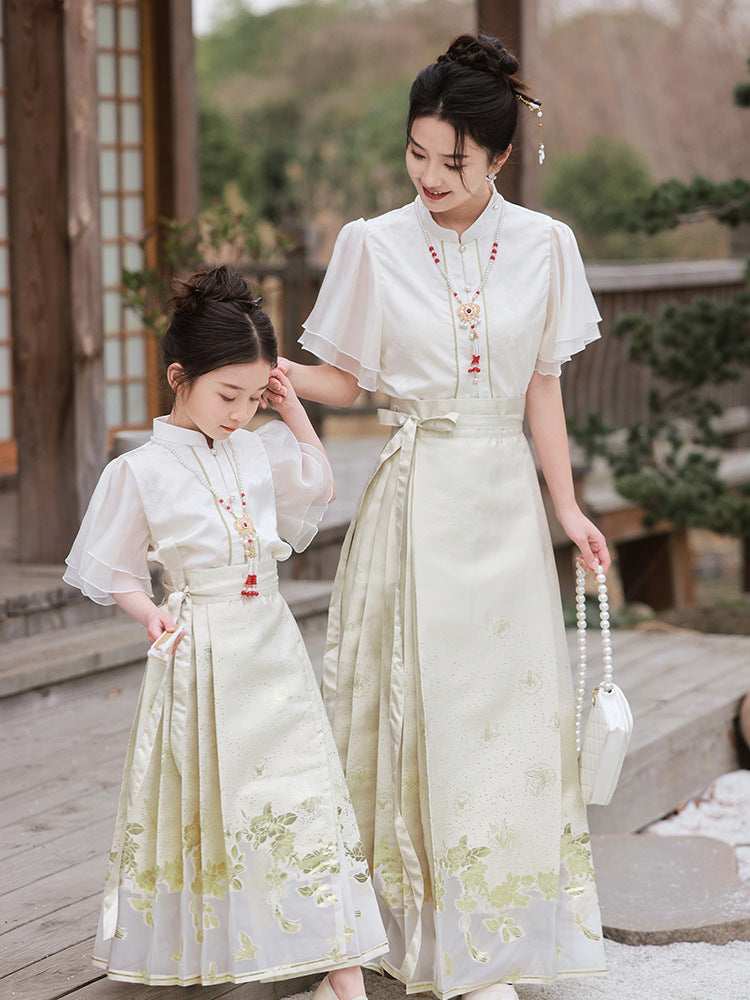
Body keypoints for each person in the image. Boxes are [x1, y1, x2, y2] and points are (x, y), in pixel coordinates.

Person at [270, 33, 612, 1000]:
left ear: (499, 156)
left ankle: (494, 939)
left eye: (452, 161)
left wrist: (568, 507)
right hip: (417, 499)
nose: (429, 175)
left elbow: (541, 389)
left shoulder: (547, 248)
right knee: (420, 710)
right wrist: (271, 371)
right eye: (416, 154)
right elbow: (348, 377)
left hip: (502, 505)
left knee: (502, 719)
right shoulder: (372, 244)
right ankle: (415, 934)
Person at [64, 267, 387, 993]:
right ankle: (223, 949)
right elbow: (113, 568)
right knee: (217, 800)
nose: (241, 412)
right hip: (201, 646)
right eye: (227, 395)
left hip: (269, 641)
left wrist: (290, 404)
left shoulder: (255, 447)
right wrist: (150, 613)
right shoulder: (142, 471)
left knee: (306, 794)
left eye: (253, 395)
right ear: (179, 378)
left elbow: (318, 481)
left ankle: (345, 979)